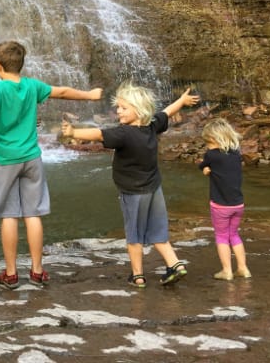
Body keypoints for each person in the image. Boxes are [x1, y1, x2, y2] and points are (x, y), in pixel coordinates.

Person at [0, 40, 103, 289]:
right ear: (21, 65)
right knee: (33, 214)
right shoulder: (32, 86)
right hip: (32, 158)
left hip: (5, 161)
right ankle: (37, 271)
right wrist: (89, 95)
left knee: (9, 216)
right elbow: (64, 92)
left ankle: (11, 274)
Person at [61, 81, 199, 288]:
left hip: (133, 193)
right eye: (118, 107)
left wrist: (73, 133)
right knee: (158, 230)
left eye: (124, 108)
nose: (118, 111)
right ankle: (175, 264)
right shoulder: (152, 125)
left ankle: (138, 275)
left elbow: (99, 134)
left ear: (139, 110)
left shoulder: (123, 133)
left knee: (134, 234)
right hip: (154, 189)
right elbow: (166, 113)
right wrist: (182, 100)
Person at [199, 117, 251, 281]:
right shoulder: (236, 154)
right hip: (238, 204)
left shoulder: (211, 155)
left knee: (221, 236)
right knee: (234, 234)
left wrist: (205, 169)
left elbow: (202, 164)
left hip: (220, 206)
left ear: (214, 139)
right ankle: (243, 268)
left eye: (208, 142)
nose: (207, 146)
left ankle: (227, 271)